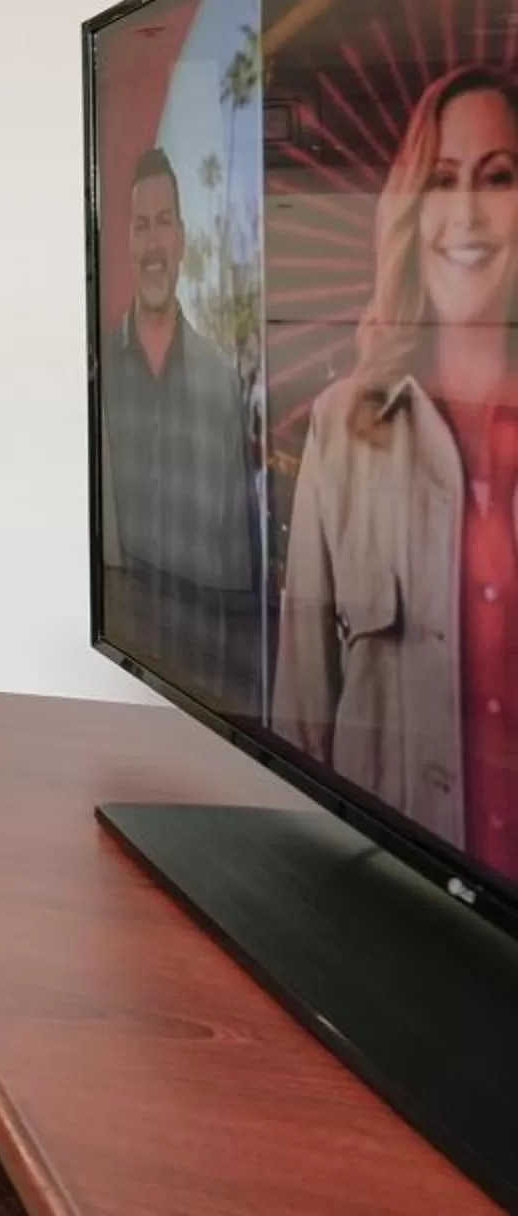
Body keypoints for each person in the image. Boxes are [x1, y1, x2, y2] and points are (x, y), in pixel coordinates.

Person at [275, 64, 518, 874]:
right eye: (442, 180)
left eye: (499, 177)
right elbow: (302, 717)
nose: (467, 214)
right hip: (385, 905)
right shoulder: (344, 429)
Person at [100, 146, 261, 709]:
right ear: (127, 244)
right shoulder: (98, 377)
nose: (152, 242)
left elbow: (239, 565)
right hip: (112, 685)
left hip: (206, 692)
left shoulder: (220, 386)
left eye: (163, 223)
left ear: (182, 240)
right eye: (141, 226)